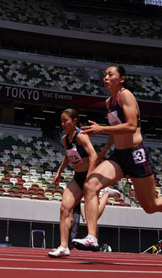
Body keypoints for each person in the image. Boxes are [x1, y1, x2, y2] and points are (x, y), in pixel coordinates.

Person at [72, 65, 162, 251]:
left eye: (110, 74)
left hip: (136, 154)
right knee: (90, 185)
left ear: (122, 79)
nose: (106, 78)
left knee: (150, 206)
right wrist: (103, 152)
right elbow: (116, 130)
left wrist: (101, 129)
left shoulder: (126, 95)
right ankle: (92, 237)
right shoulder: (108, 102)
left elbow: (131, 126)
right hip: (119, 156)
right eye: (104, 75)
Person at [48, 108, 116, 258]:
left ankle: (106, 195)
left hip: (89, 175)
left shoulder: (81, 136)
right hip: (78, 176)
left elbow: (93, 156)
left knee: (91, 215)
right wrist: (59, 171)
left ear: (74, 121)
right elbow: (68, 156)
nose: (63, 124)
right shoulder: (65, 139)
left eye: (66, 121)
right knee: (64, 208)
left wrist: (90, 177)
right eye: (62, 121)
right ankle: (64, 247)